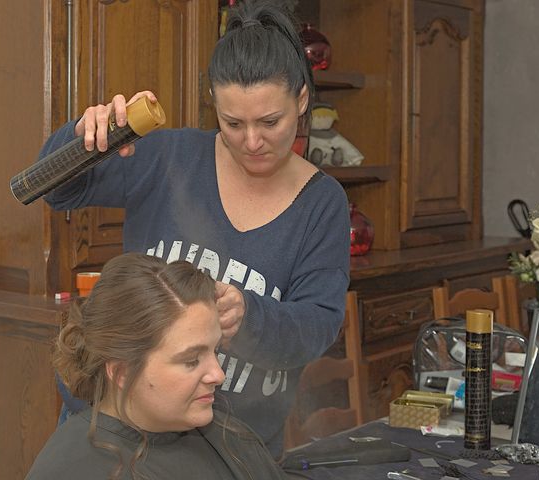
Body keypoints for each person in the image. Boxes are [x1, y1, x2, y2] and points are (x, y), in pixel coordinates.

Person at [39, 0, 350, 457]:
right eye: (233, 123)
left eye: (270, 122)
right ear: (213, 103)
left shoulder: (321, 204)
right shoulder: (168, 158)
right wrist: (85, 136)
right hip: (120, 434)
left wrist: (250, 315)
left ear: (301, 99)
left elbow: (318, 326)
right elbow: (55, 189)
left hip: (233, 448)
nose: (252, 141)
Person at [25, 253, 292, 479]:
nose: (218, 375)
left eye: (216, 350)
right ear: (122, 371)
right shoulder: (74, 469)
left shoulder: (230, 438)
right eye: (191, 361)